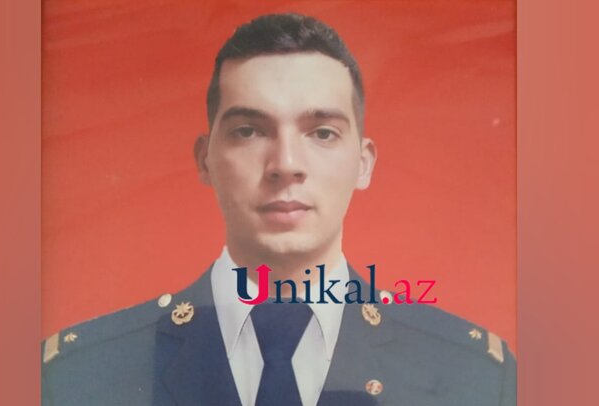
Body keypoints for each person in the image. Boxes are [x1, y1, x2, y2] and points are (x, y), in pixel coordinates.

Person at [41, 13, 516, 406]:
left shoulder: (474, 378)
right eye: (249, 131)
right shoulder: (79, 377)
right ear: (205, 160)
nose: (286, 164)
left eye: (322, 133)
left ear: (363, 163)